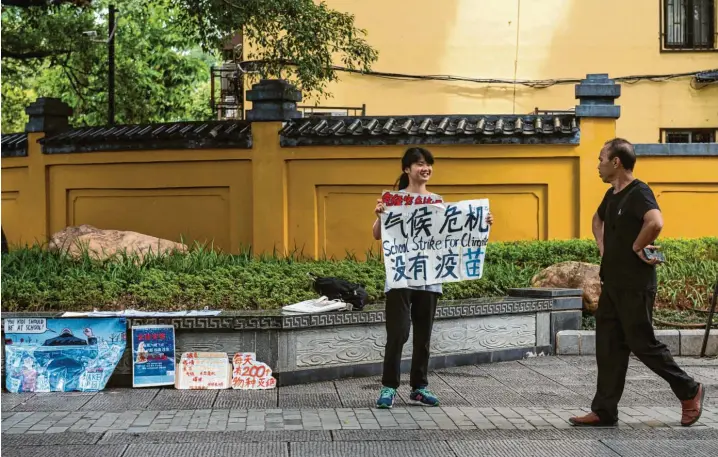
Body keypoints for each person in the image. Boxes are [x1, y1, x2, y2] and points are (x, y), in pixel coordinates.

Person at [570, 138, 705, 427]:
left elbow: (655, 222)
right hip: (613, 284)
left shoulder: (639, 192)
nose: (598, 165)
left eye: (601, 159)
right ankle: (605, 411)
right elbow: (597, 219)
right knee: (608, 347)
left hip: (635, 284)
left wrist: (635, 247)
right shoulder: (612, 195)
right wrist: (604, 247)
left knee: (643, 344)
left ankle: (690, 389)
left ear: (616, 162)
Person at [372, 147, 493, 408]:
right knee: (398, 333)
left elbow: (451, 235)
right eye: (419, 164)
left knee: (423, 336)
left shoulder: (437, 200)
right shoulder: (393, 200)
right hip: (400, 277)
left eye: (428, 164)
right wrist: (380, 215)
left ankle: (419, 387)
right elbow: (377, 235)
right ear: (407, 169)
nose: (425, 168)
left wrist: (481, 221)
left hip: (429, 277)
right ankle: (389, 387)